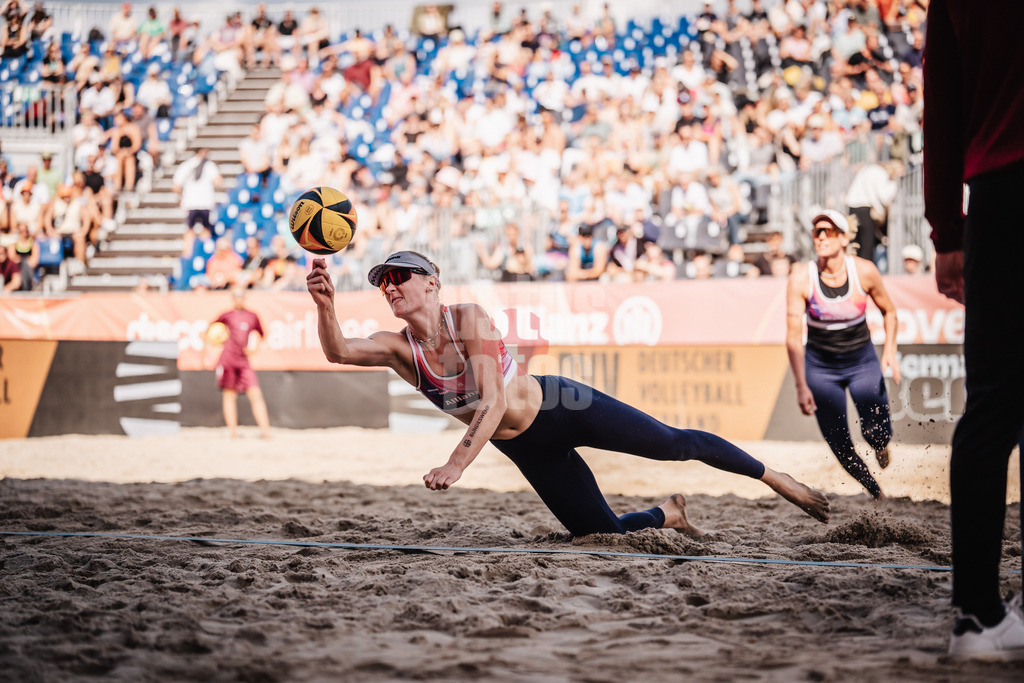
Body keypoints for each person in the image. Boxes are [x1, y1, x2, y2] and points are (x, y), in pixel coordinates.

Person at [304, 250, 831, 539]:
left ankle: (777, 479)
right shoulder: (398, 348)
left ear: (432, 283)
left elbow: (492, 402)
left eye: (400, 276)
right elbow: (337, 353)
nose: (390, 286)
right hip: (526, 446)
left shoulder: (466, 318)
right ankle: (667, 514)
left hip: (561, 409)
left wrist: (456, 464)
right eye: (382, 282)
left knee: (674, 443)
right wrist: (326, 305)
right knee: (596, 534)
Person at [923, 0, 1024, 661]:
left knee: (992, 401)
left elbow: (942, 105)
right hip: (998, 177)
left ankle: (976, 615)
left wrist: (946, 229)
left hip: (999, 192)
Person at [785, 210, 901, 500]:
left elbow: (890, 311)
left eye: (829, 231)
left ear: (844, 237)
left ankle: (880, 445)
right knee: (838, 440)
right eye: (816, 232)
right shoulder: (802, 278)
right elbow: (792, 337)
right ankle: (875, 491)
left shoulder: (863, 271)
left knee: (875, 425)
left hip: (861, 361)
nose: (821, 236)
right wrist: (801, 386)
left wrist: (889, 352)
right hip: (821, 367)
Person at [206, 288, 271, 439]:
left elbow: (262, 334)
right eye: (236, 296)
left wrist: (254, 349)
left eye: (241, 296)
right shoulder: (226, 315)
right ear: (232, 298)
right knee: (230, 395)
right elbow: (209, 332)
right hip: (228, 360)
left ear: (244, 298)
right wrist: (215, 341)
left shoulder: (252, 316)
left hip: (243, 360)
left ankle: (265, 432)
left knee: (255, 393)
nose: (238, 299)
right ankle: (233, 432)